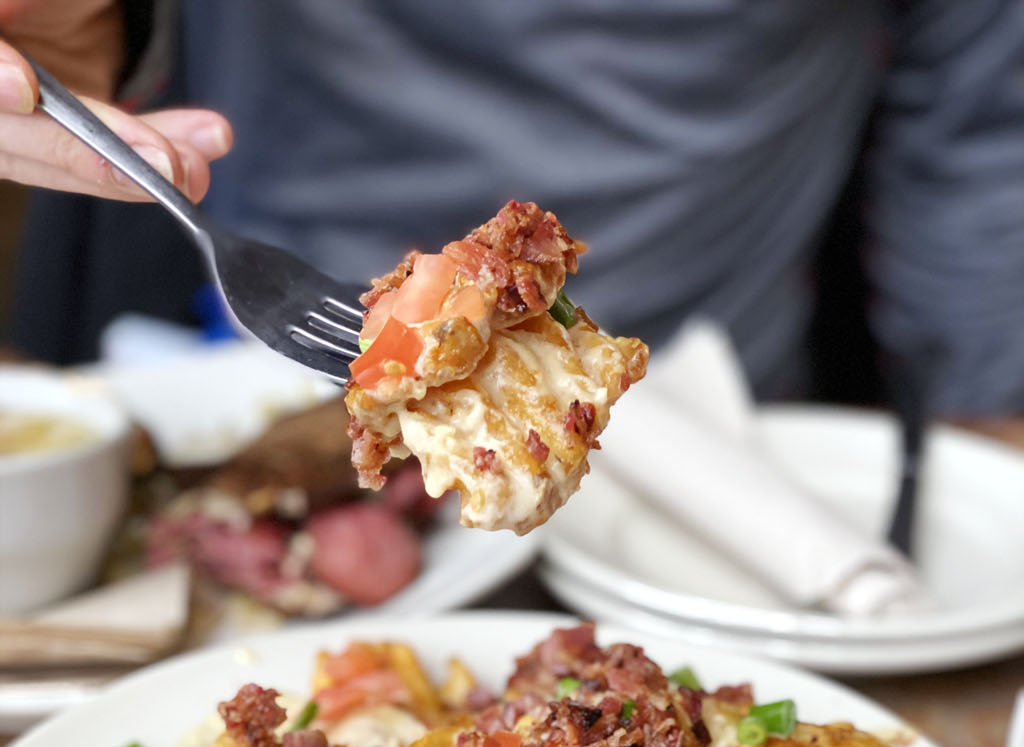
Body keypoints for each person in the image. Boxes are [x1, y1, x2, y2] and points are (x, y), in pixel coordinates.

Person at [2, 0, 1023, 437]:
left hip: (710, 408)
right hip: (253, 351)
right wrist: (91, 33)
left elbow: (986, 133)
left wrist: (989, 434)